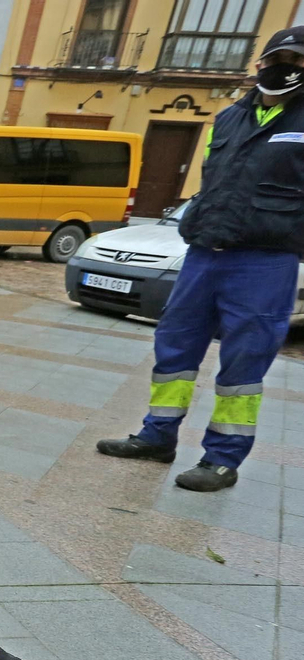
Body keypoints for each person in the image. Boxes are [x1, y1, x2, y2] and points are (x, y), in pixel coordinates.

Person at [96, 26, 304, 492]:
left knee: (244, 365)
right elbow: (215, 183)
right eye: (278, 57)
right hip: (205, 253)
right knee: (175, 347)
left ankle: (222, 459)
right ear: (260, 64)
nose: (285, 67)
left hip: (265, 260)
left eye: (298, 61)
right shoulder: (229, 117)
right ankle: (156, 437)